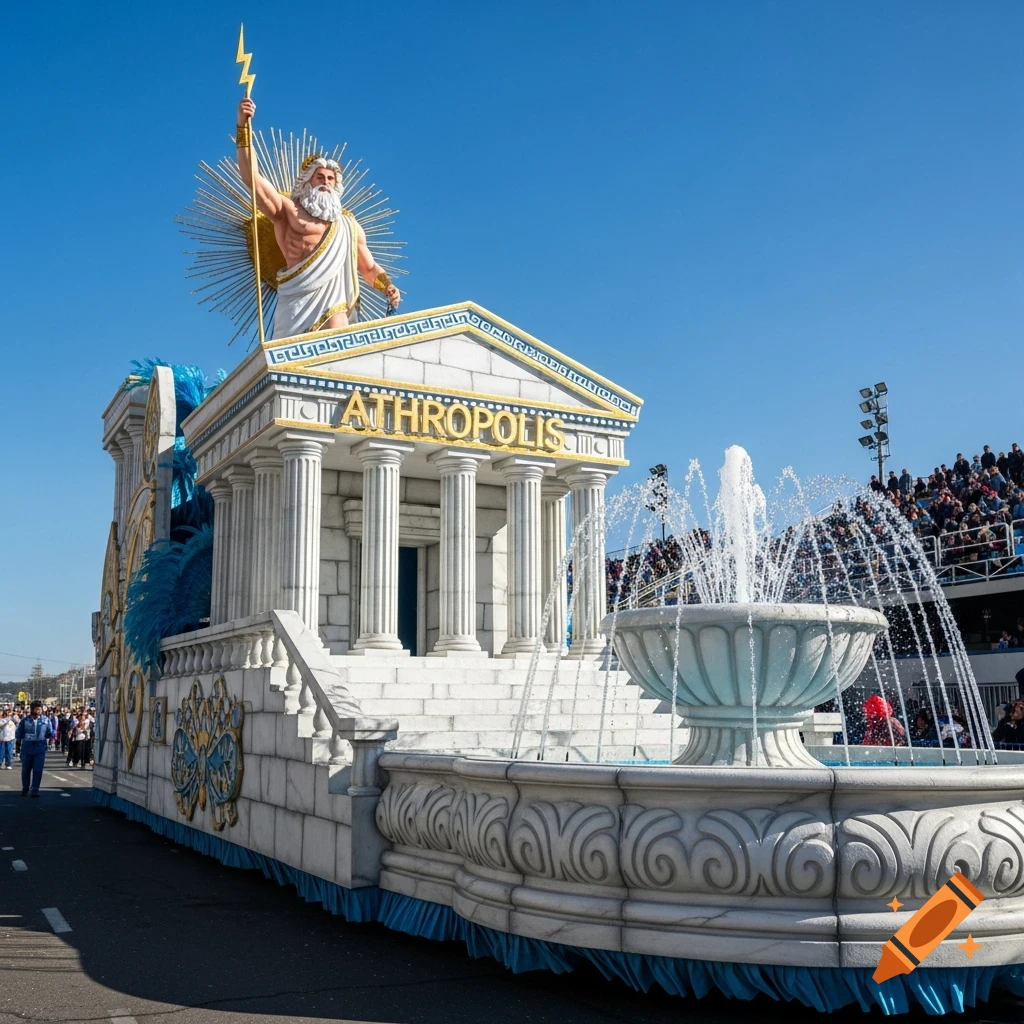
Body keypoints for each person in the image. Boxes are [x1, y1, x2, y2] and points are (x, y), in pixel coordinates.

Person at [235, 97, 401, 338]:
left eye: (330, 179)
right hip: (296, 304)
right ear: (307, 182)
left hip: (335, 306)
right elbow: (251, 178)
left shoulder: (349, 225)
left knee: (338, 339)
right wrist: (243, 126)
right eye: (319, 177)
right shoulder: (288, 210)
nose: (325, 183)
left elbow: (368, 267)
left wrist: (387, 286)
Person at [15, 700, 54, 798]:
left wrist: (49, 738)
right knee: (26, 769)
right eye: (37, 709)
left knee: (38, 769)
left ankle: (35, 790)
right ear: (32, 709)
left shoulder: (46, 720)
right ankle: (25, 787)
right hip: (27, 746)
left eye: (40, 709)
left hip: (40, 746)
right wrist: (18, 746)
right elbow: (19, 733)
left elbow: (50, 732)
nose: (39, 711)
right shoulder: (25, 720)